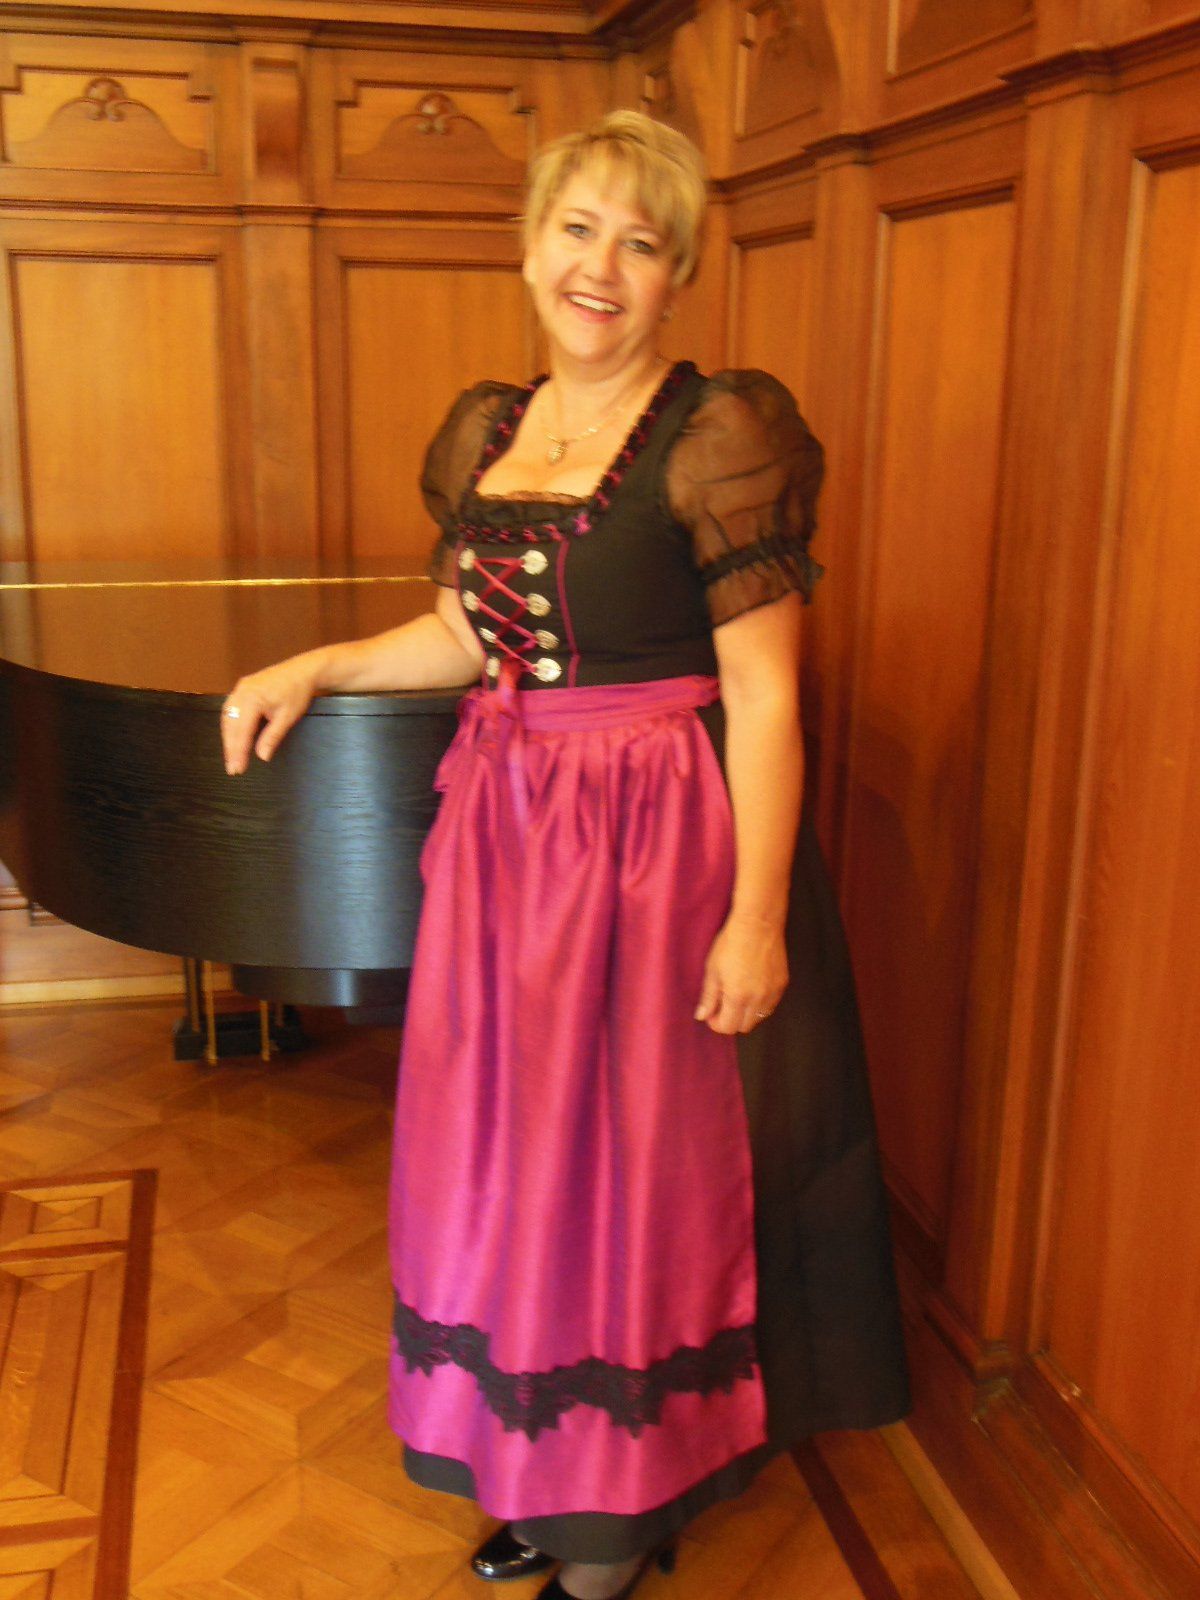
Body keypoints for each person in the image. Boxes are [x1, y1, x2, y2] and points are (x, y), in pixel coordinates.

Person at [220, 110, 910, 1600]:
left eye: (641, 243)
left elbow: (768, 697)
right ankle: (550, 1472)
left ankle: (622, 1515)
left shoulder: (720, 436)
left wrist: (757, 920)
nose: (602, 267)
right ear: (531, 248)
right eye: (579, 230)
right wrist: (315, 664)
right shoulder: (491, 430)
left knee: (638, 1174)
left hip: (656, 850)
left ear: (677, 277)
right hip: (510, 850)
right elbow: (466, 635)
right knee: (516, 1162)